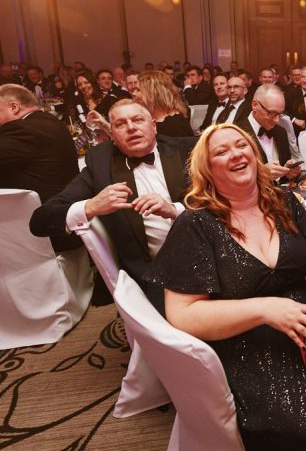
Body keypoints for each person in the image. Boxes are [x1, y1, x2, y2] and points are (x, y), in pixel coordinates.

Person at [144, 124, 306, 449]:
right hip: (247, 342)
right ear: (208, 169)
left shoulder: (283, 199)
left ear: (254, 154)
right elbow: (182, 314)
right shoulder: (196, 223)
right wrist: (265, 310)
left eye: (241, 144)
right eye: (221, 151)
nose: (236, 154)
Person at [29, 100, 197, 310]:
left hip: (212, 255)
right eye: (120, 124)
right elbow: (40, 220)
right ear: (112, 136)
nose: (131, 127)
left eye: (137, 120)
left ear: (153, 125)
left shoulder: (189, 150)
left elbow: (226, 199)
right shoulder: (101, 163)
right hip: (156, 277)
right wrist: (91, 206)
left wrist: (176, 210)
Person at [0, 84, 80, 252]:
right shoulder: (47, 120)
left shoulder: (24, 129)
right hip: (62, 222)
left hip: (44, 234)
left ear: (14, 107)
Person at [240, 84, 302, 183]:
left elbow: (282, 180)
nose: (277, 120)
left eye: (280, 114)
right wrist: (260, 174)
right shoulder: (237, 134)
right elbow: (230, 178)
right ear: (255, 105)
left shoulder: (281, 131)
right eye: (272, 113)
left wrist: (287, 172)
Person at [133, 71, 194, 137]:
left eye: (138, 90)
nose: (134, 93)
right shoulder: (151, 118)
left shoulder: (174, 126)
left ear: (152, 93)